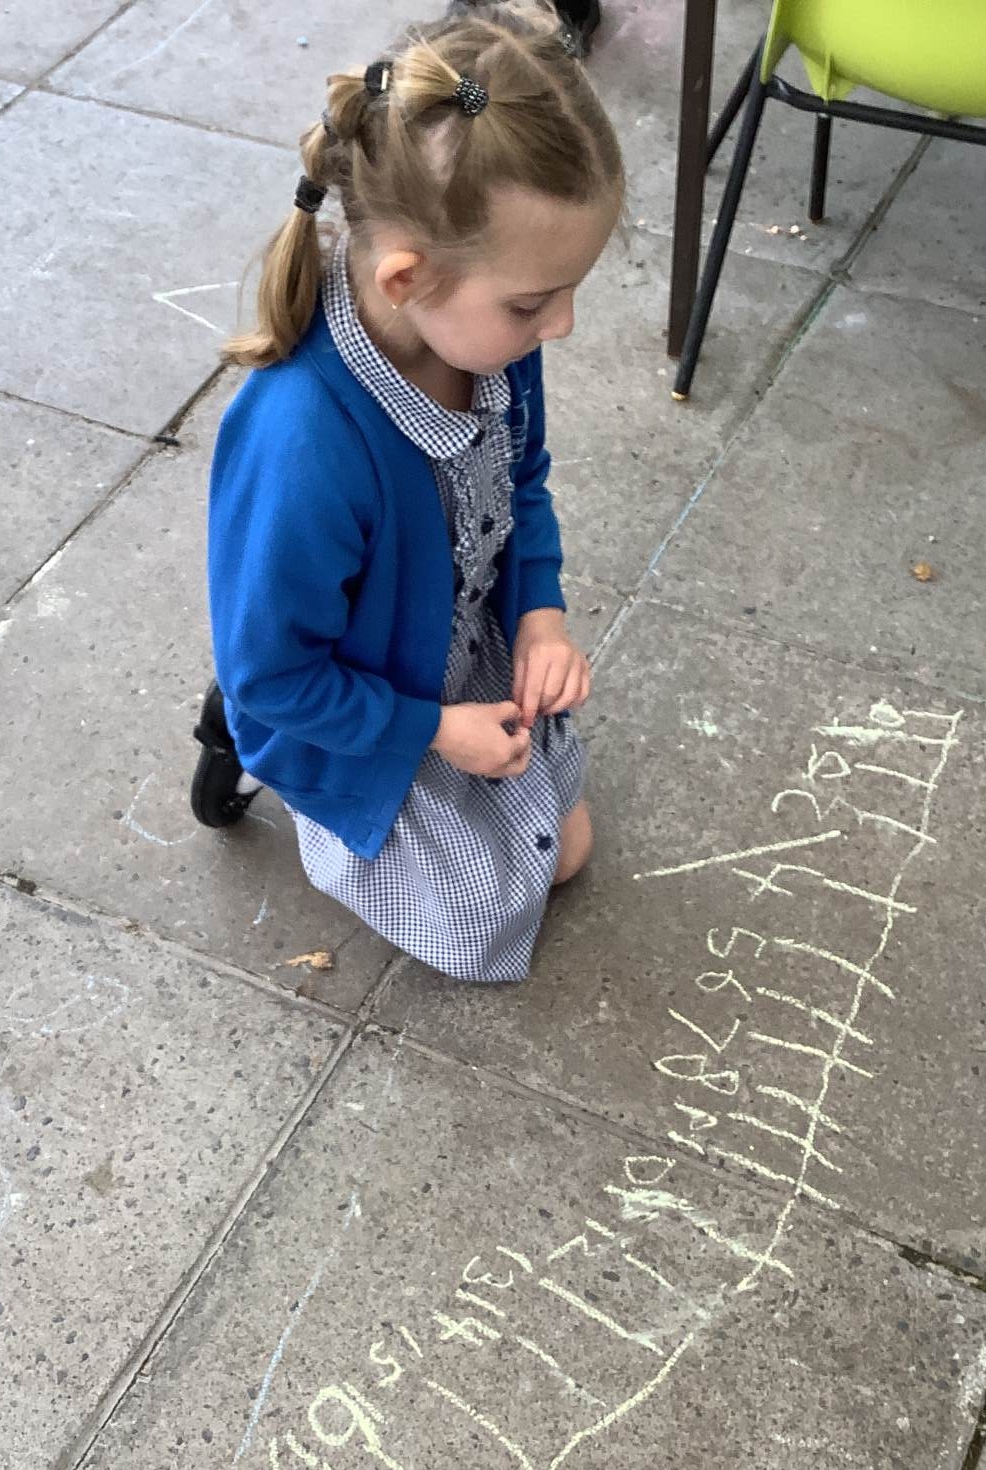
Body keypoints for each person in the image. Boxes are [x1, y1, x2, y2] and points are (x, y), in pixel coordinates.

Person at [194, 1, 623, 984]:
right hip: (353, 707)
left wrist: (542, 617)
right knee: (489, 921)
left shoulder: (489, 341)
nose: (560, 326)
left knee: (567, 850)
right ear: (406, 279)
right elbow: (271, 676)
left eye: (570, 290)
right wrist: (431, 730)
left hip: (452, 648)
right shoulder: (304, 443)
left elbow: (522, 481)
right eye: (535, 301)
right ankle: (291, 785)